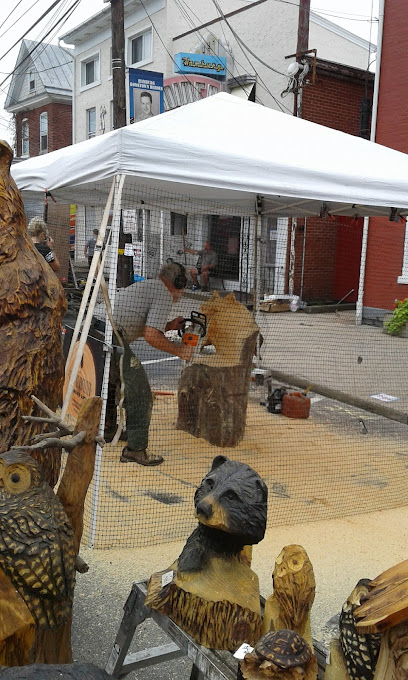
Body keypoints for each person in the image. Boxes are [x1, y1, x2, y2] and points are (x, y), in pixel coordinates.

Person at [99, 262, 192, 466]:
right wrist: (179, 351)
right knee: (139, 391)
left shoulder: (149, 286)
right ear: (179, 282)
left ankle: (107, 429)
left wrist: (167, 327)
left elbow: (144, 326)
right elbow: (151, 336)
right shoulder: (164, 294)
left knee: (111, 381)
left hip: (99, 329)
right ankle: (135, 450)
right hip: (113, 335)